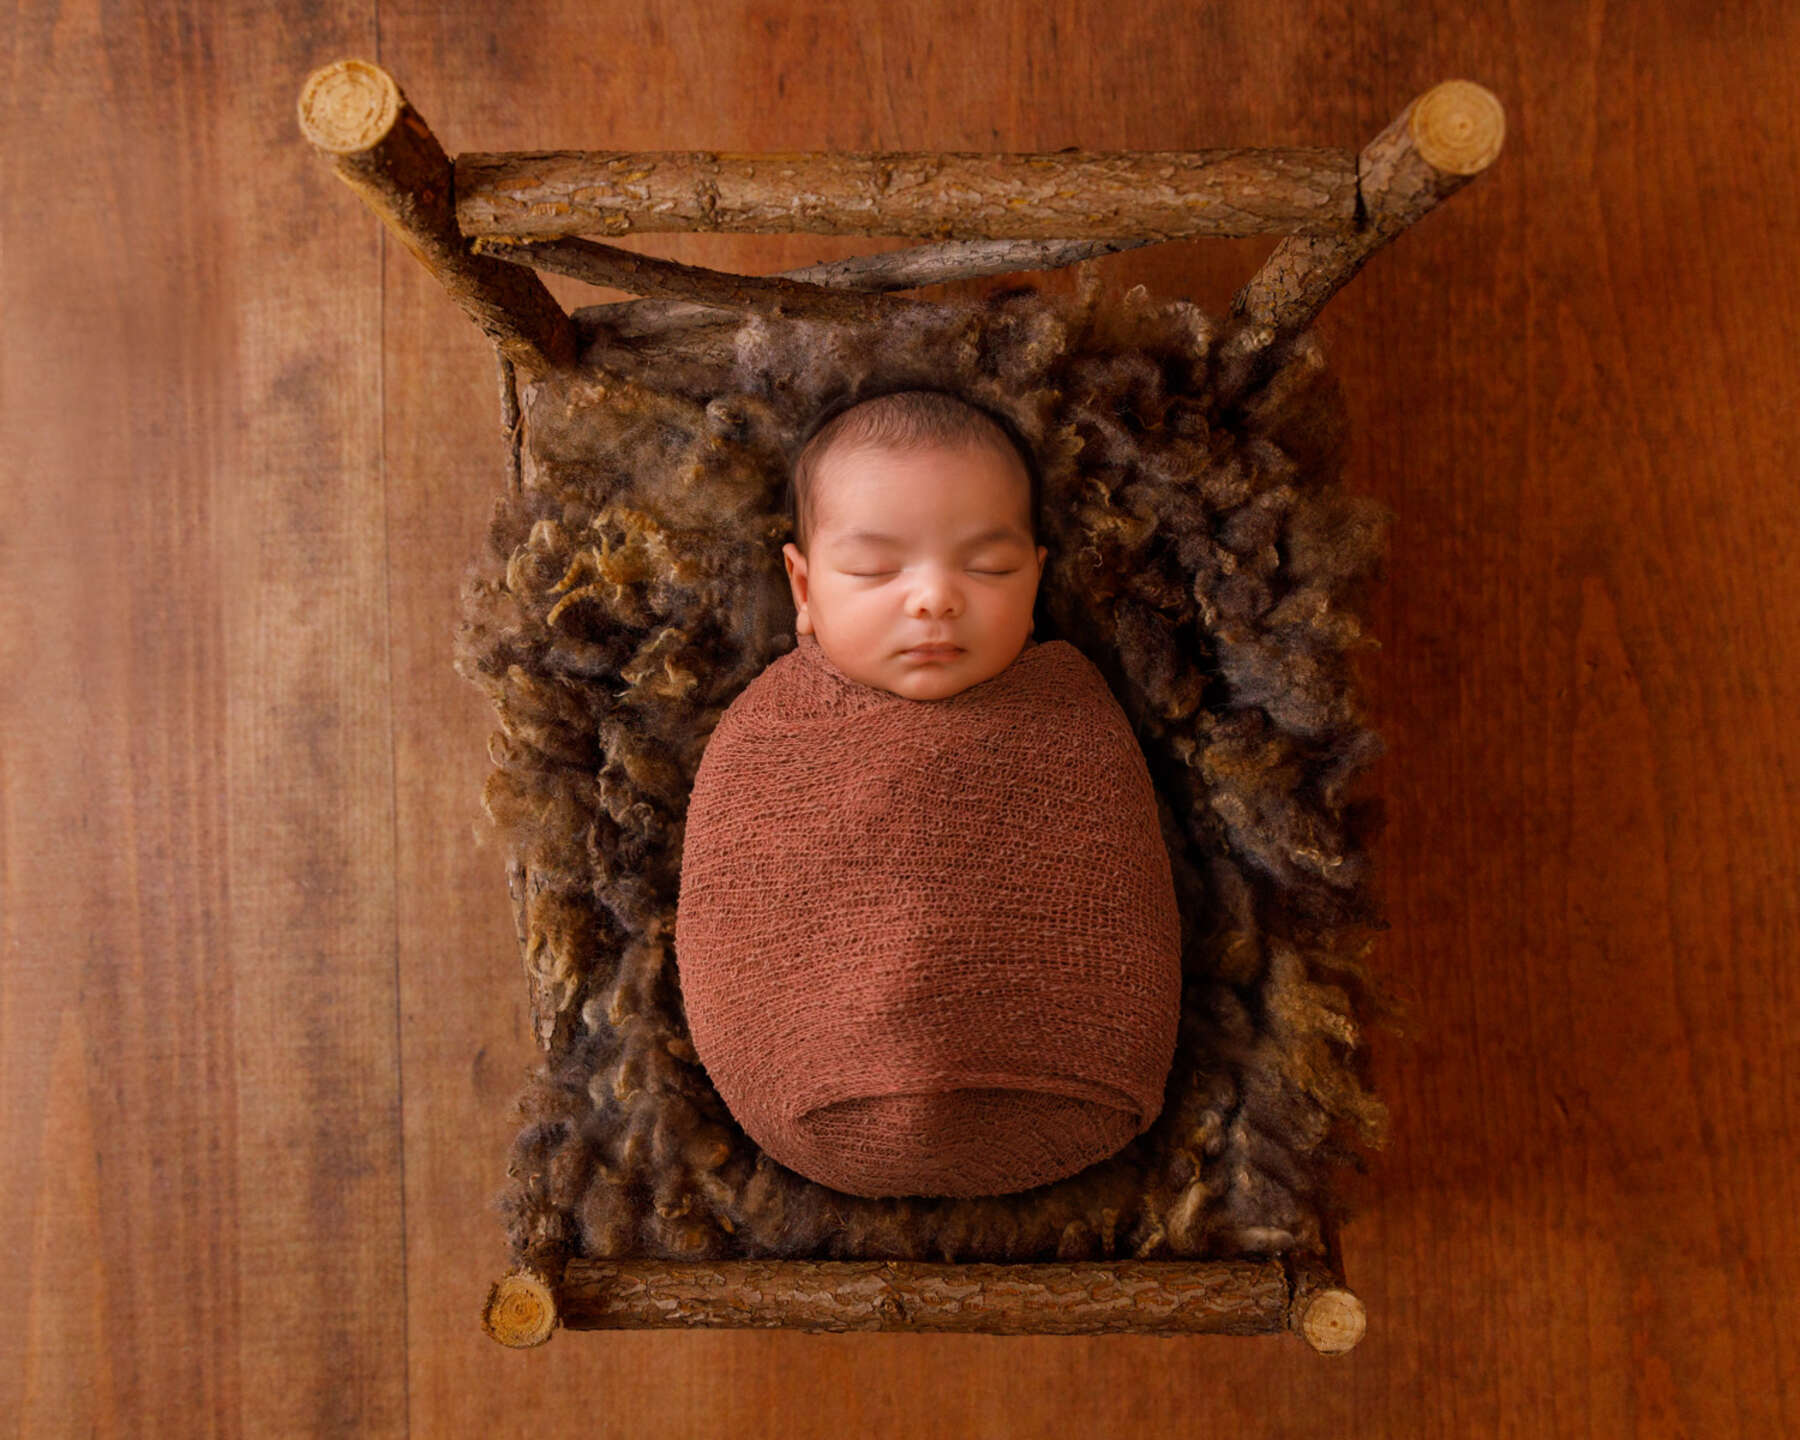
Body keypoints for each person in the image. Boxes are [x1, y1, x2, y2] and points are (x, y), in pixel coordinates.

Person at [781, 389, 1050, 700]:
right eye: (873, 569)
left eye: (989, 567)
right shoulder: (764, 726)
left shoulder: (1071, 707)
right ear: (803, 588)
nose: (934, 598)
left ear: (1035, 583)